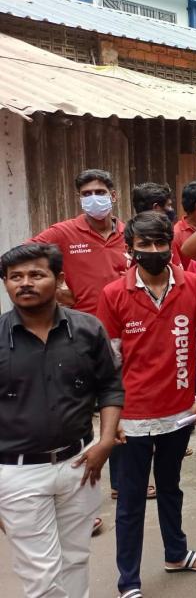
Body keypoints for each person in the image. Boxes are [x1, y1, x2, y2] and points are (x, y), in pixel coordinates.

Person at [96, 212, 196, 597]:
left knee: (171, 487)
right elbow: (109, 364)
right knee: (131, 501)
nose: (153, 251)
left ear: (171, 244)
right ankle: (128, 583)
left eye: (159, 244)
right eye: (144, 245)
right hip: (131, 419)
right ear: (129, 248)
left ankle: (177, 553)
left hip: (180, 413)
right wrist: (110, 419)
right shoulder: (113, 294)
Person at [0, 243, 122, 598]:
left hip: (80, 463)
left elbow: (110, 386)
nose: (25, 283)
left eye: (36, 274)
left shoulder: (87, 329)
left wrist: (106, 441)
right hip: (17, 473)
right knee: (41, 574)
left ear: (59, 279)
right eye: (15, 277)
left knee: (76, 558)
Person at [29, 168, 128, 315]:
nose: (93, 198)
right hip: (84, 323)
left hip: (125, 321)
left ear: (113, 196)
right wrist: (53, 290)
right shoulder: (63, 232)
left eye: (100, 192)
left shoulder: (129, 234)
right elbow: (19, 258)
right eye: (87, 194)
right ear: (80, 199)